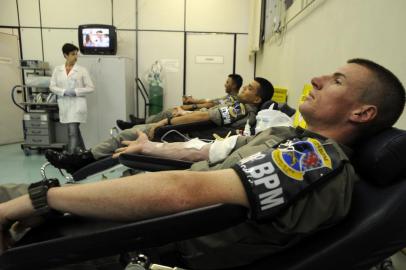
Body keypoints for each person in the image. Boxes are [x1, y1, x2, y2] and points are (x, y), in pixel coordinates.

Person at [1, 59, 404, 269]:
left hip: (137, 238)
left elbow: (185, 195)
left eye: (336, 80)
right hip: (134, 217)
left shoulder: (313, 161)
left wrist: (47, 198)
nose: (315, 79)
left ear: (363, 113)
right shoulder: (292, 139)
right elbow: (205, 162)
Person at [45, 77, 274, 174]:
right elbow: (206, 110)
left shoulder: (240, 108)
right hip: (185, 131)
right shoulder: (240, 105)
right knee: (137, 129)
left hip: (180, 134)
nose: (244, 89)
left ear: (256, 99)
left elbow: (202, 119)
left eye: (250, 89)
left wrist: (167, 123)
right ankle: (89, 157)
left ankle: (82, 160)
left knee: (126, 134)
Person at [117, 74, 244, 129]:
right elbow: (209, 100)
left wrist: (190, 106)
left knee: (169, 112)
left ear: (233, 86)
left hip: (199, 116)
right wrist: (193, 101)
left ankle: (138, 124)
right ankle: (140, 122)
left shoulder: (232, 99)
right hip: (199, 112)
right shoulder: (227, 97)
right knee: (170, 111)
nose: (224, 84)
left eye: (227, 82)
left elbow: (210, 105)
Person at [49, 43, 95, 154]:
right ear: (65, 55)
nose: (75, 57)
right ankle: (85, 153)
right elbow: (52, 86)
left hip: (77, 105)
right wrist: (64, 92)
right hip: (65, 104)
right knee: (75, 132)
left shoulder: (82, 70)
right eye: (73, 54)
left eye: (76, 54)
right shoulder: (57, 70)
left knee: (72, 132)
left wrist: (75, 91)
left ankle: (70, 156)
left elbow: (91, 87)